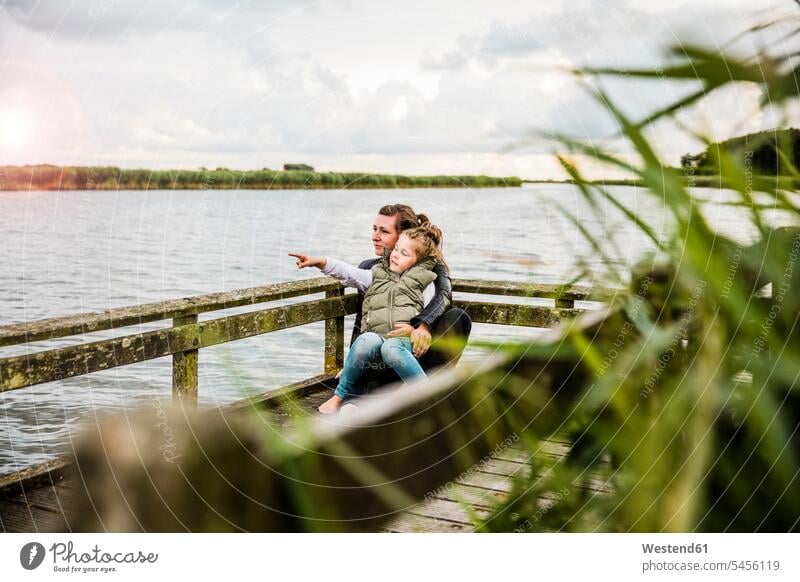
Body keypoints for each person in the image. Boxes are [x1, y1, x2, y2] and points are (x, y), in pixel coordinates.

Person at [289, 223, 446, 413]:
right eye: (396, 248)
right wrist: (320, 261)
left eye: (405, 253)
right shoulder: (376, 275)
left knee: (391, 347)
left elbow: (431, 314)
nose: (395, 254)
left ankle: (427, 394)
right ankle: (338, 397)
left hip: (403, 343)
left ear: (419, 262)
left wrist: (415, 329)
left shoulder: (425, 284)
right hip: (377, 339)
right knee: (366, 340)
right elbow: (348, 272)